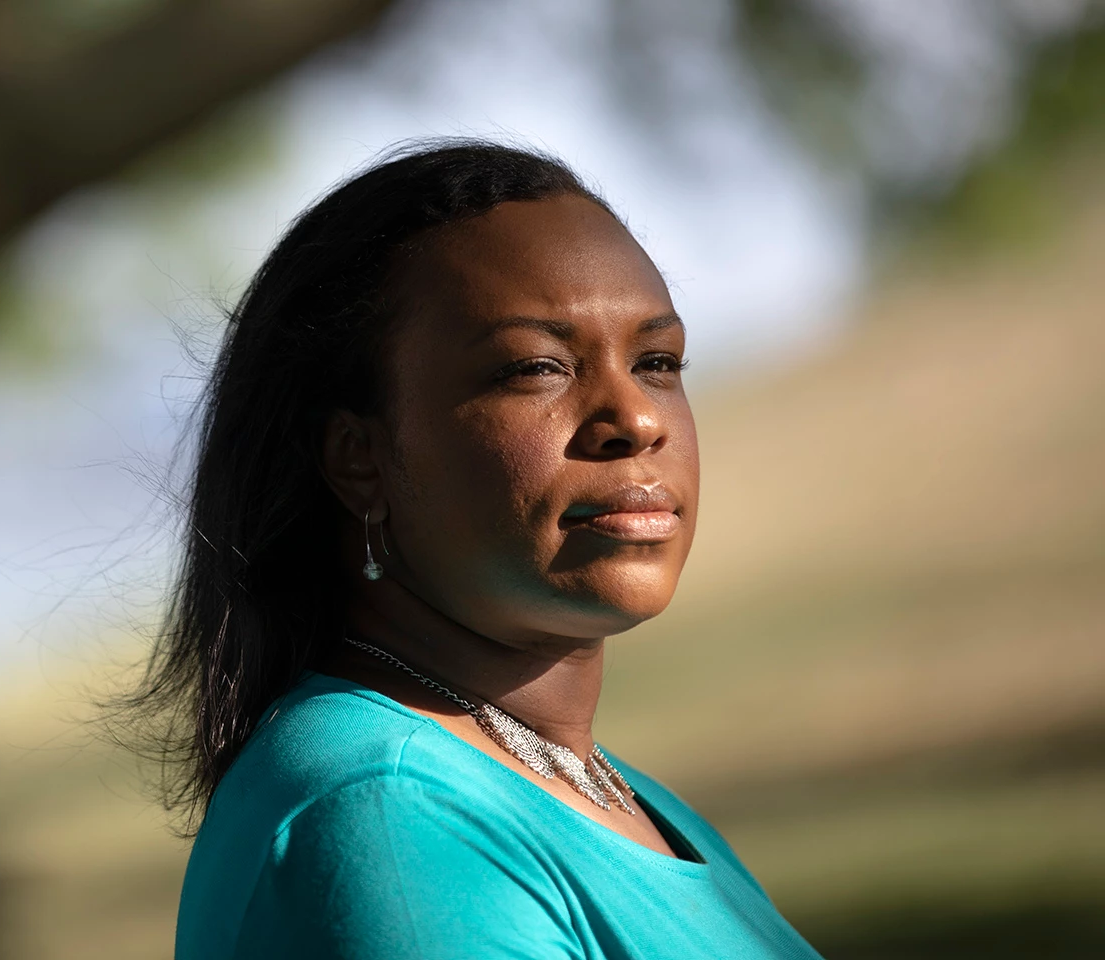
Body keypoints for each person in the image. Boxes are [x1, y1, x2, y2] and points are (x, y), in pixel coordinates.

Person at [129, 141, 825, 958]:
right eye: (535, 368)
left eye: (657, 361)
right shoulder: (389, 818)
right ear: (360, 457)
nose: (637, 419)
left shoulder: (613, 796)